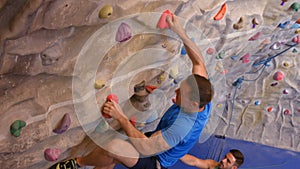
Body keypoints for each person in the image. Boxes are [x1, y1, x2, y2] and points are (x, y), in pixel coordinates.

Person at [49, 13, 214, 169]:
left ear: (193, 103)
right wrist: (179, 31)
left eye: (180, 94)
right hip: (155, 140)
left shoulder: (182, 127)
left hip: (155, 161)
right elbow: (199, 62)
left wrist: (120, 116)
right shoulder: (202, 93)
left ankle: (75, 164)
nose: (176, 92)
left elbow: (147, 147)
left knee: (114, 147)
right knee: (111, 153)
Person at [180, 149, 244, 169]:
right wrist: (177, 155)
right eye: (225, 157)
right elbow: (195, 161)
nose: (223, 160)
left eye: (228, 161)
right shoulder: (214, 165)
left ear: (233, 168)